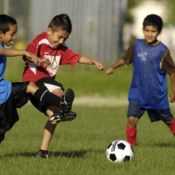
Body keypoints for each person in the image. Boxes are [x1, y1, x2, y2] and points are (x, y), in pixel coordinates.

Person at [22, 14, 104, 158]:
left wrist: (93, 62)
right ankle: (64, 103)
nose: (61, 41)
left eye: (65, 38)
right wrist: (39, 60)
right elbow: (27, 54)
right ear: (49, 30)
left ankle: (43, 152)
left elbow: (77, 57)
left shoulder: (61, 49)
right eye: (59, 37)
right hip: (34, 82)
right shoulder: (40, 41)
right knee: (58, 89)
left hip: (43, 92)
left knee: (54, 116)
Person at [0, 14, 75, 143]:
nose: (14, 37)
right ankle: (61, 104)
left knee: (30, 87)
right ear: (1, 34)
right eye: (12, 34)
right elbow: (3, 52)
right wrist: (23, 52)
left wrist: (39, 60)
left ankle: (60, 105)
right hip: (2, 91)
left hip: (3, 88)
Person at [106, 14, 175, 146]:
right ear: (143, 30)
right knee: (131, 119)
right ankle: (131, 147)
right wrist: (114, 67)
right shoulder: (136, 45)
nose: (149, 34)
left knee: (169, 120)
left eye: (153, 31)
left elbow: (172, 72)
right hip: (137, 92)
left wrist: (173, 91)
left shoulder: (163, 51)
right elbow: (125, 59)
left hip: (157, 95)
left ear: (159, 32)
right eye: (147, 30)